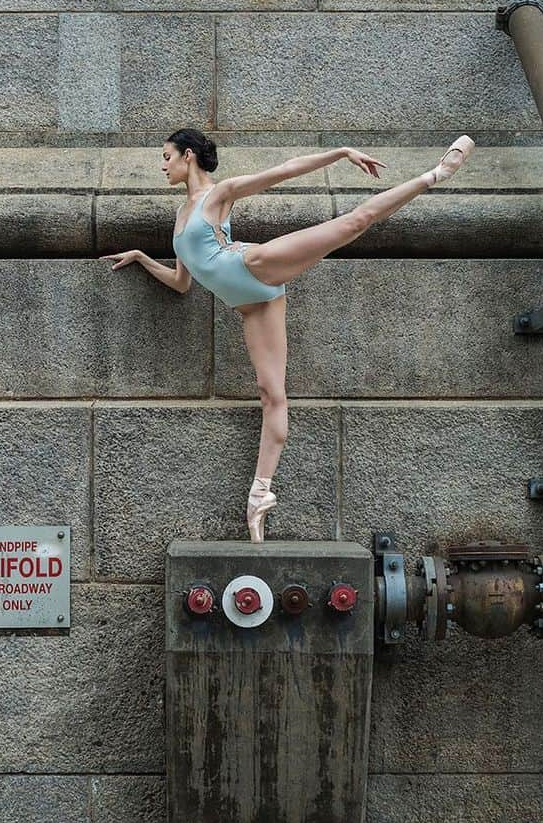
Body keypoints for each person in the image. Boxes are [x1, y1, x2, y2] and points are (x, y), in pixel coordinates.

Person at [99, 128, 475, 542]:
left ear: (187, 155)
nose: (162, 165)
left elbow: (281, 172)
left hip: (253, 265)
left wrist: (341, 152)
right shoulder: (180, 217)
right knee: (271, 395)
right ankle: (260, 494)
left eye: (166, 156)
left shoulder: (219, 194)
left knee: (353, 223)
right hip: (254, 306)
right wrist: (140, 257)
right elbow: (181, 283)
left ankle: (436, 174)